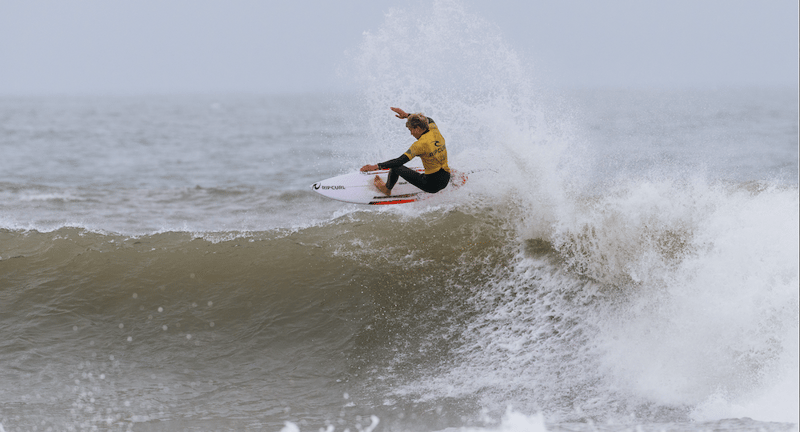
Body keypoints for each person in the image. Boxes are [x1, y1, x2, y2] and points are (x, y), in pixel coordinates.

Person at [360, 107, 450, 196]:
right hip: (446, 178)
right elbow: (428, 119)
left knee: (395, 167)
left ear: (417, 128)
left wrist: (376, 166)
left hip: (431, 185)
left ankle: (386, 189)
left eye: (411, 130)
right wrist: (407, 115)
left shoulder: (419, 144)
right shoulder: (434, 129)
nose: (411, 133)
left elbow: (399, 161)